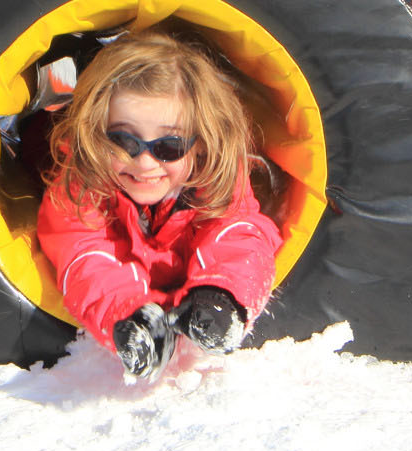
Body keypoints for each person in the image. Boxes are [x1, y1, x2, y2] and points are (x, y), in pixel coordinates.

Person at [36, 29, 282, 381]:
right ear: (95, 132)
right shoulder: (80, 184)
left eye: (169, 146)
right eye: (123, 141)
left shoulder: (214, 176)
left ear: (201, 142)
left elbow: (239, 235)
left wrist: (222, 295)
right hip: (123, 289)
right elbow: (85, 256)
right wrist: (130, 315)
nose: (145, 163)